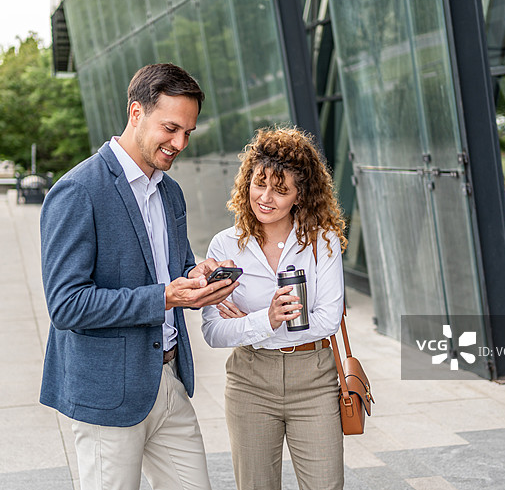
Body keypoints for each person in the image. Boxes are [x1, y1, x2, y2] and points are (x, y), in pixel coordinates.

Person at [40, 63, 238, 490]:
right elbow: (66, 305)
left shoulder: (169, 190)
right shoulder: (77, 191)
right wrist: (164, 297)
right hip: (108, 395)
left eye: (188, 132)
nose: (180, 142)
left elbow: (175, 264)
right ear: (136, 112)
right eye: (170, 128)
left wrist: (197, 273)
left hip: (168, 382)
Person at [202, 127, 348, 490]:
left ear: (300, 195)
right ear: (247, 181)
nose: (265, 198)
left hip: (313, 378)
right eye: (259, 184)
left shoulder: (322, 242)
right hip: (250, 380)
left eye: (281, 190)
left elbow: (328, 319)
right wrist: (265, 319)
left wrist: (247, 322)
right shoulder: (225, 245)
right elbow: (213, 331)